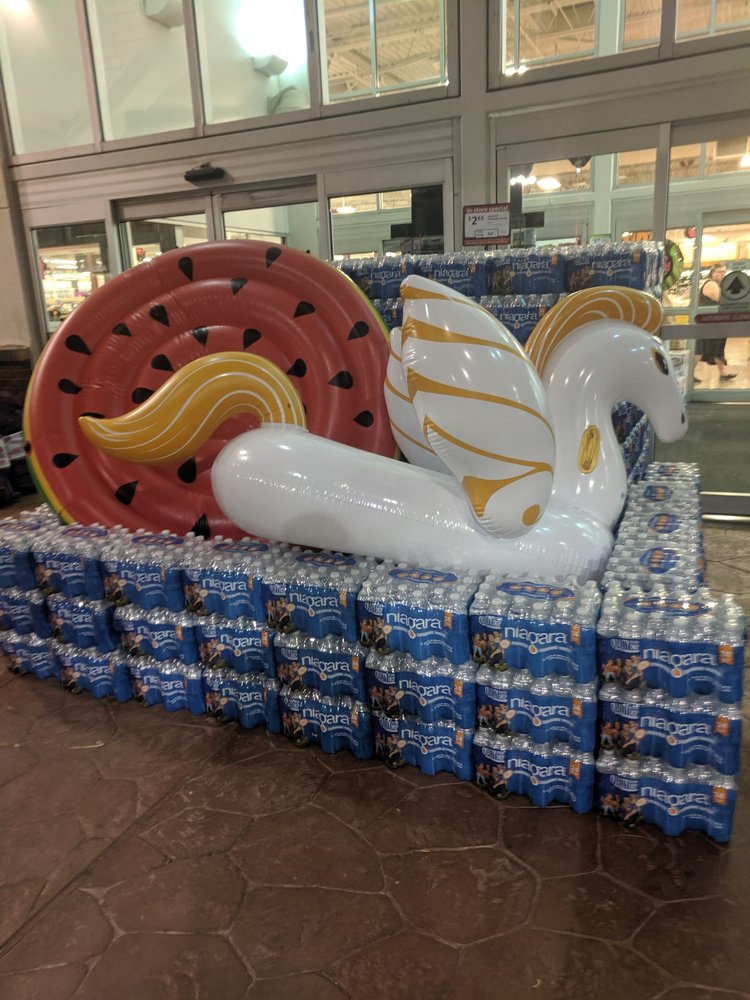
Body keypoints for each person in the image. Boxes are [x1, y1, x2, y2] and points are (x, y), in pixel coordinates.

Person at [695, 264, 736, 382]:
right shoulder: (711, 284)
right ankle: (687, 373)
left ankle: (723, 374)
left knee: (717, 349)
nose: (722, 274)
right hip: (707, 323)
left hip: (712, 322)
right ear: (712, 273)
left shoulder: (717, 285)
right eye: (719, 271)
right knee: (700, 350)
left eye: (724, 271)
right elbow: (720, 299)